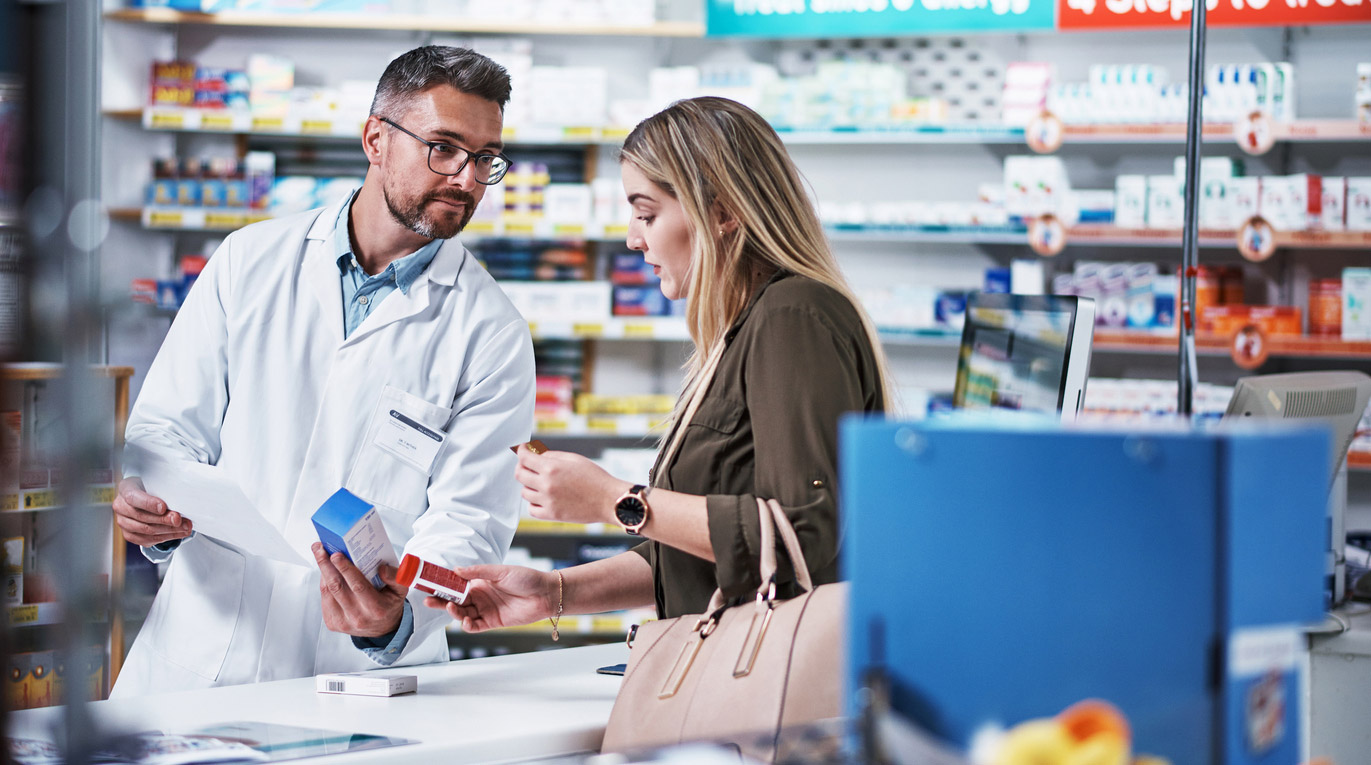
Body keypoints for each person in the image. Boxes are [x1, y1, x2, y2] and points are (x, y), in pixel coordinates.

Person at [110, 45, 535, 696]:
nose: (467, 178)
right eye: (444, 148)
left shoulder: (491, 331)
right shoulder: (248, 261)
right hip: (203, 654)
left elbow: (471, 520)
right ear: (375, 139)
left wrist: (395, 619)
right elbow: (167, 431)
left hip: (358, 674)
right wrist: (149, 506)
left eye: (485, 159)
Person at [427, 96, 892, 632]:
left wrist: (612, 499)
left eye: (646, 213)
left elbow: (798, 535)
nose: (633, 236)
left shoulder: (794, 316)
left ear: (722, 212)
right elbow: (705, 554)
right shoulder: (740, 330)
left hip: (773, 686)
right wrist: (554, 592)